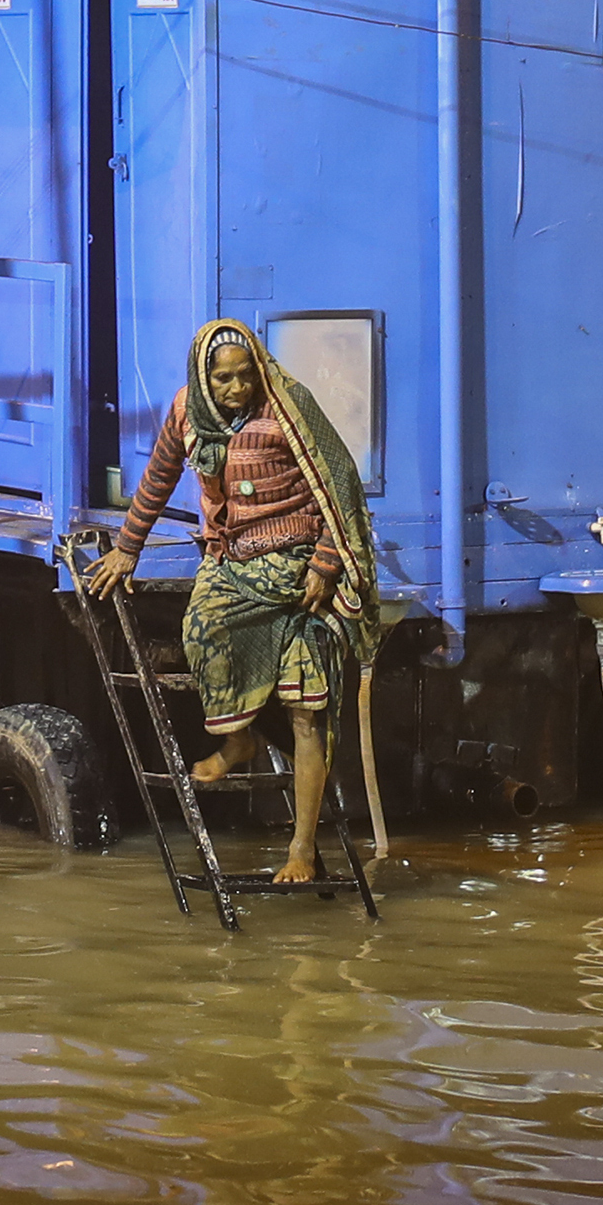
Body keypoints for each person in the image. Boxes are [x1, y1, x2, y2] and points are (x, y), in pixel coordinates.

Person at [93, 316, 381, 882]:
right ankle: (236, 740)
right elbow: (157, 476)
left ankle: (300, 849)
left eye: (245, 375)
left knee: (307, 711)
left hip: (297, 567)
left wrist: (326, 562)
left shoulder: (288, 409)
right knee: (201, 627)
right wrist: (128, 548)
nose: (236, 388)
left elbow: (338, 481)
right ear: (205, 379)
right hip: (231, 562)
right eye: (224, 379)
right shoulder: (186, 411)